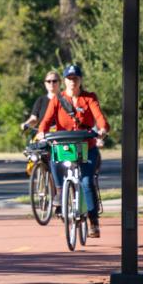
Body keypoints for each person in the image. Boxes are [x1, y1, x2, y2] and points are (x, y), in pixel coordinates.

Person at [35, 64, 110, 237]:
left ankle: (93, 223)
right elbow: (46, 120)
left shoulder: (89, 98)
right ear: (65, 81)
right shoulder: (58, 100)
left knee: (86, 182)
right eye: (69, 78)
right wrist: (41, 132)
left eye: (75, 78)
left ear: (80, 80)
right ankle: (60, 190)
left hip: (87, 146)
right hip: (66, 146)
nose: (72, 82)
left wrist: (102, 130)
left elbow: (100, 118)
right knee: (54, 157)